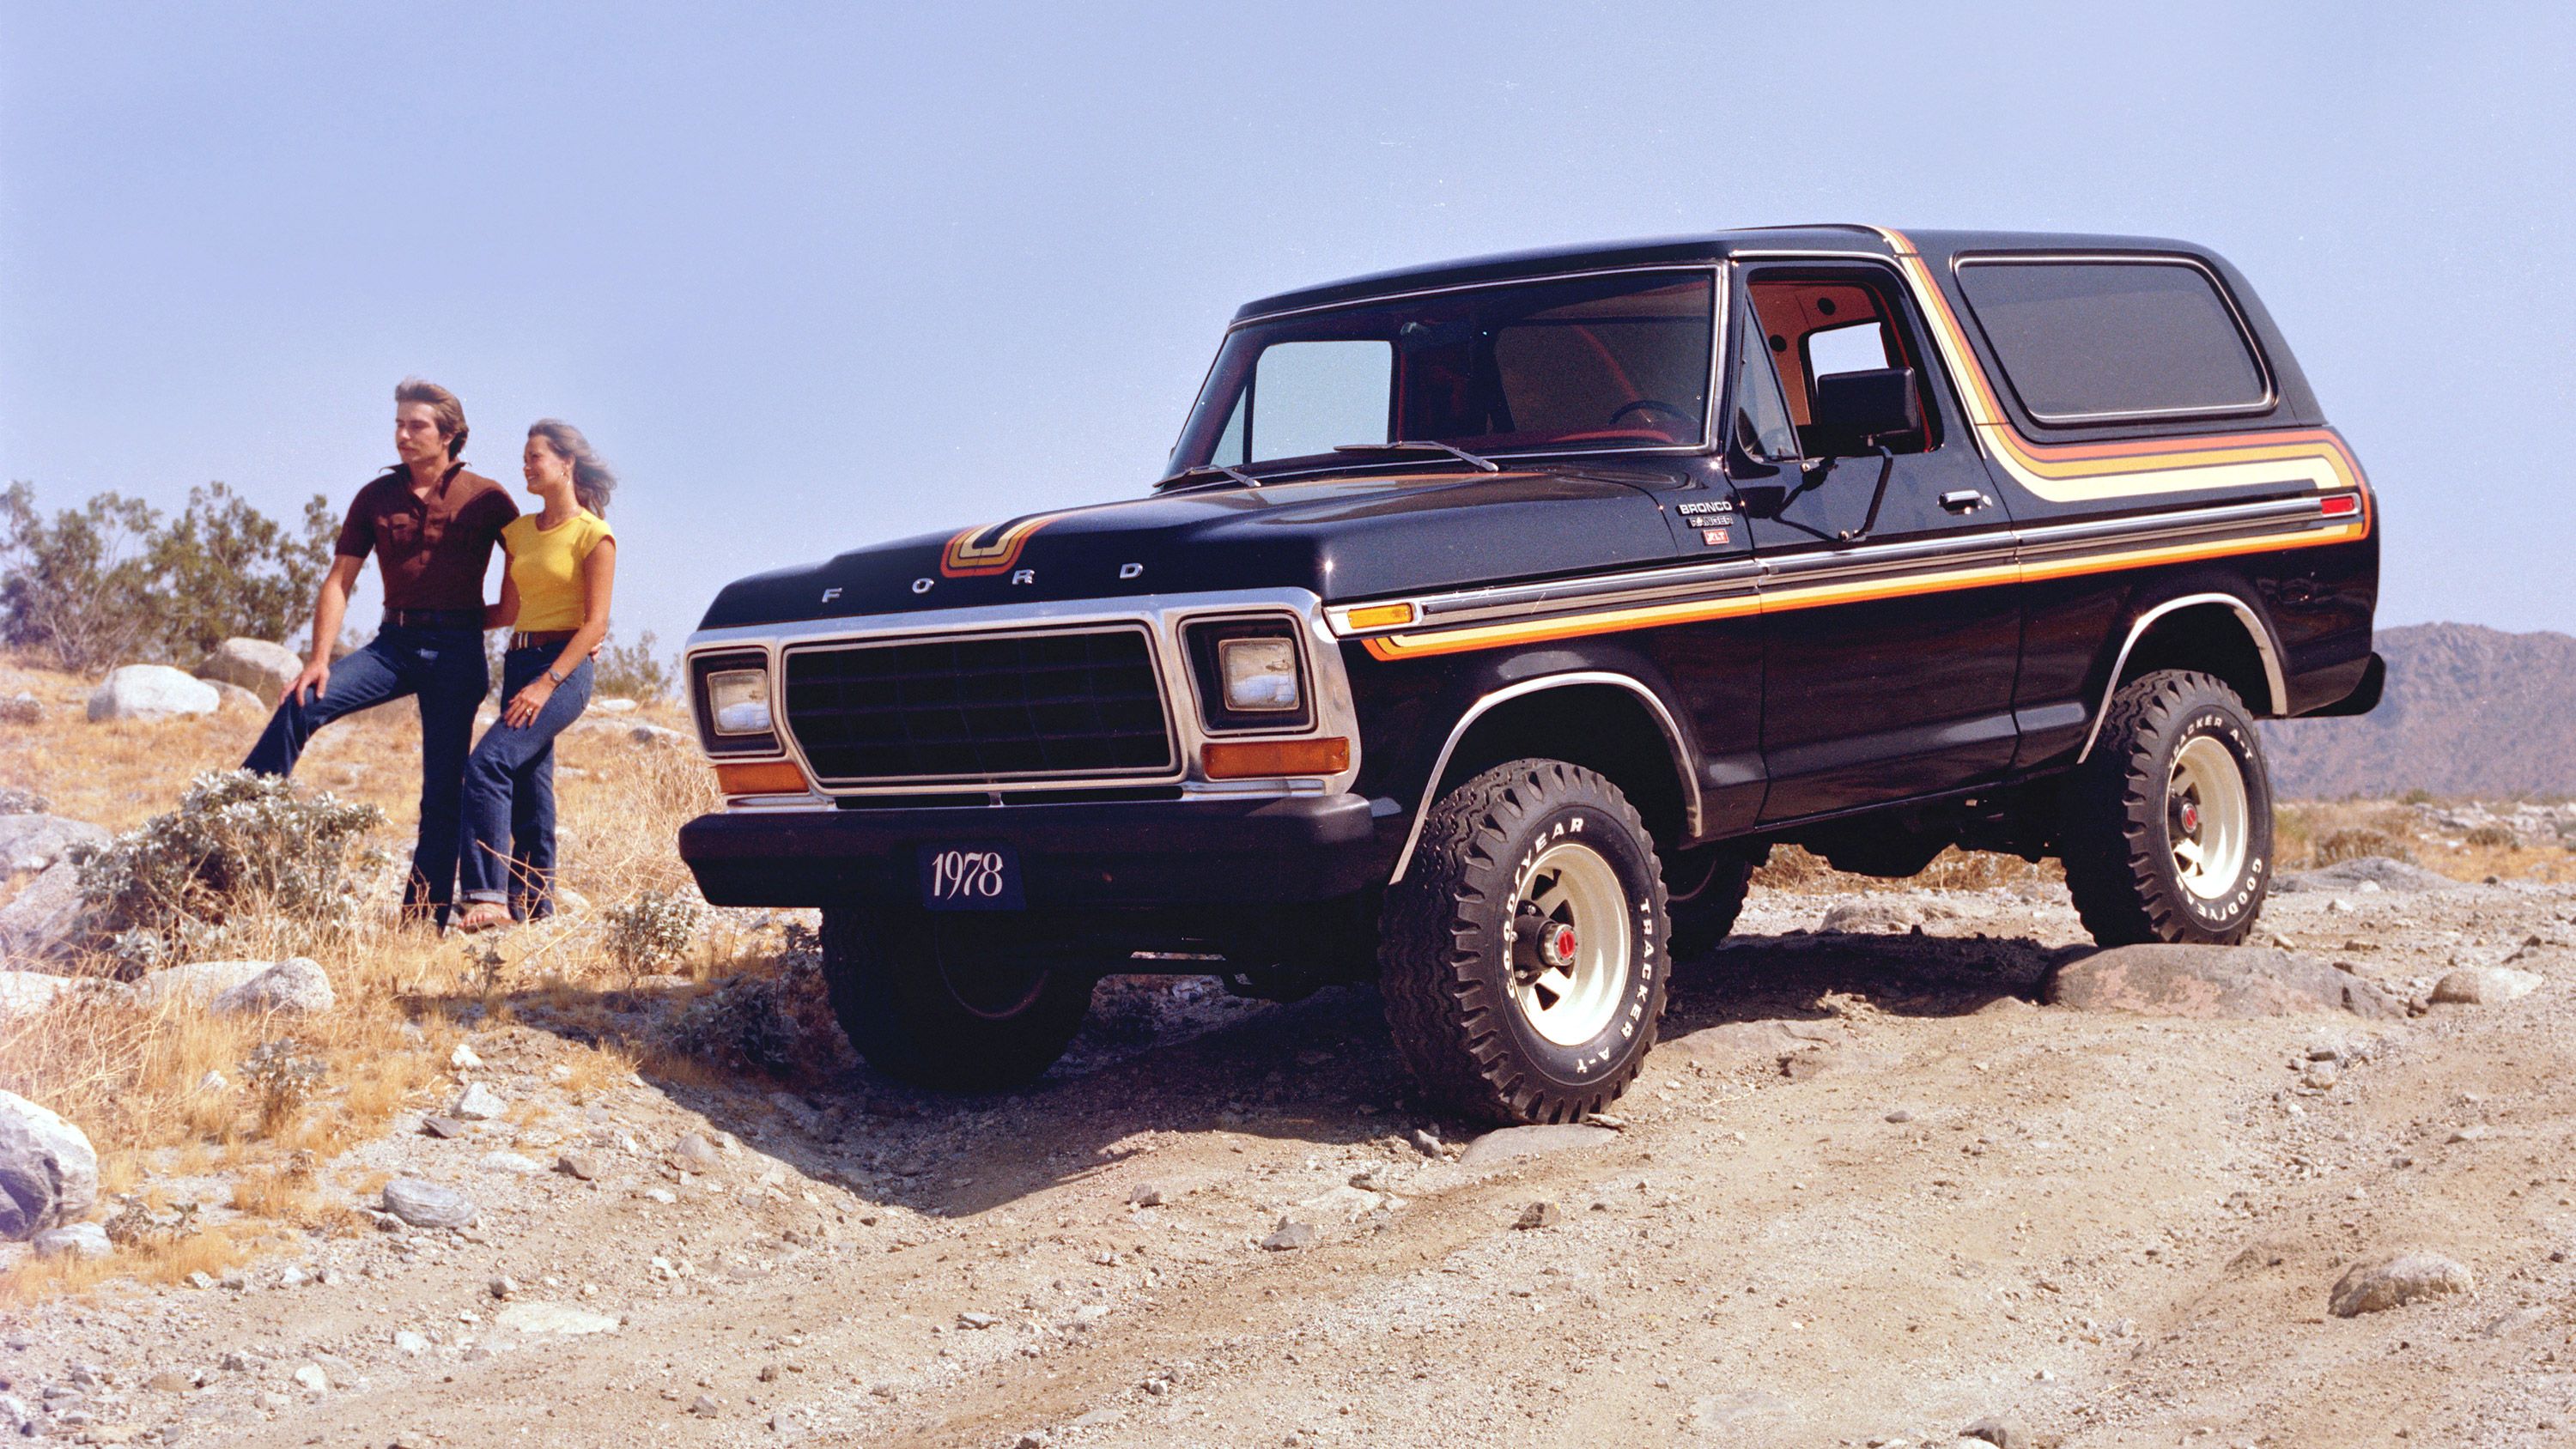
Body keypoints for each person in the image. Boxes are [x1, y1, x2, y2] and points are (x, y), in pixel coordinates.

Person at [246, 379, 517, 927]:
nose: (402, 435)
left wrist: (499, 616)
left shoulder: (488, 498)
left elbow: (534, 559)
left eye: (416, 425)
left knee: (441, 792)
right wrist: (318, 659)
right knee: (301, 705)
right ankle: (235, 822)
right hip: (393, 645)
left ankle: (422, 921)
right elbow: (339, 580)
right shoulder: (375, 497)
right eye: (398, 424)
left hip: (458, 651)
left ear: (450, 435)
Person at [453, 421, 618, 930]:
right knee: (529, 780)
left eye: (535, 457)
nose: (526, 466)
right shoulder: (519, 533)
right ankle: (535, 904)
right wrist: (444, 617)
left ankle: (487, 897)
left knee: (487, 765)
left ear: (566, 463)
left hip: (561, 670)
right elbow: (505, 610)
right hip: (519, 659)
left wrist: (548, 682)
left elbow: (596, 623)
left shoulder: (594, 535)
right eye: (524, 458)